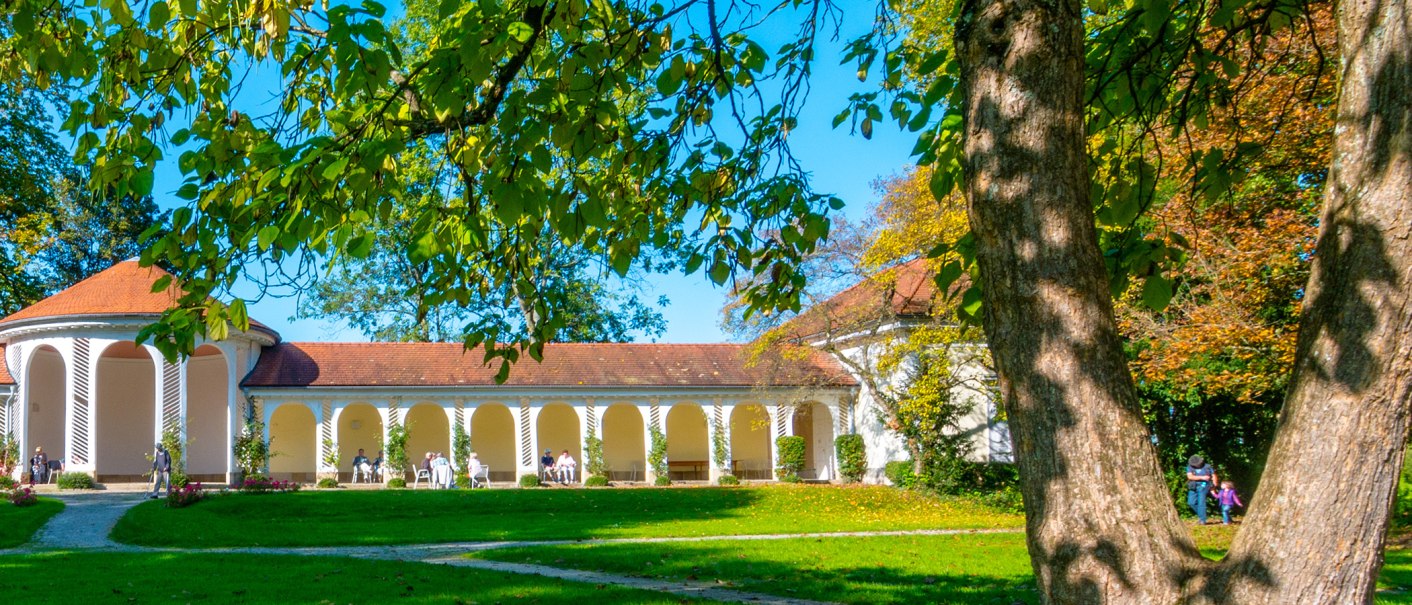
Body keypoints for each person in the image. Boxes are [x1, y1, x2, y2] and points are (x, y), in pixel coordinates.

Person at [1185, 455, 1217, 524]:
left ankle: (1202, 520)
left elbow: (1214, 476)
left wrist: (1214, 486)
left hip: (1204, 486)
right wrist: (1202, 477)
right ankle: (1202, 515)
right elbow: (1190, 477)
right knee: (1191, 502)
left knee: (1201, 503)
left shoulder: (1207, 466)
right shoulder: (1189, 467)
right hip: (1193, 486)